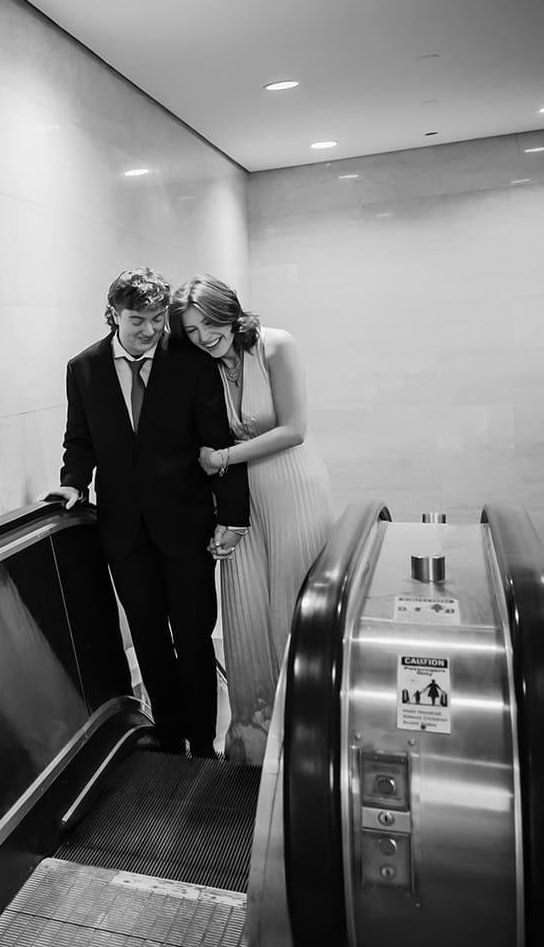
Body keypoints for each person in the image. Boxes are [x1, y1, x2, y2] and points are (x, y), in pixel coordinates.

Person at [48, 267, 250, 758]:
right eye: (139, 319)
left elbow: (219, 440)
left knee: (195, 639)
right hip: (124, 532)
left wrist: (233, 515)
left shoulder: (189, 363)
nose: (151, 330)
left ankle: (203, 743)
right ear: (113, 314)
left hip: (187, 525)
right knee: (148, 639)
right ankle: (171, 736)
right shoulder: (84, 369)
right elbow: (80, 438)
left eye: (159, 319)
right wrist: (72, 483)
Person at [170, 274, 334, 764]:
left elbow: (294, 429)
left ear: (229, 310)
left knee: (293, 611)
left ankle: (307, 741)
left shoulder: (275, 346)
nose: (203, 337)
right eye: (191, 330)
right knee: (243, 616)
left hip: (292, 489)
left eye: (208, 323)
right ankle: (254, 742)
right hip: (239, 502)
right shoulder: (200, 366)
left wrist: (223, 456)